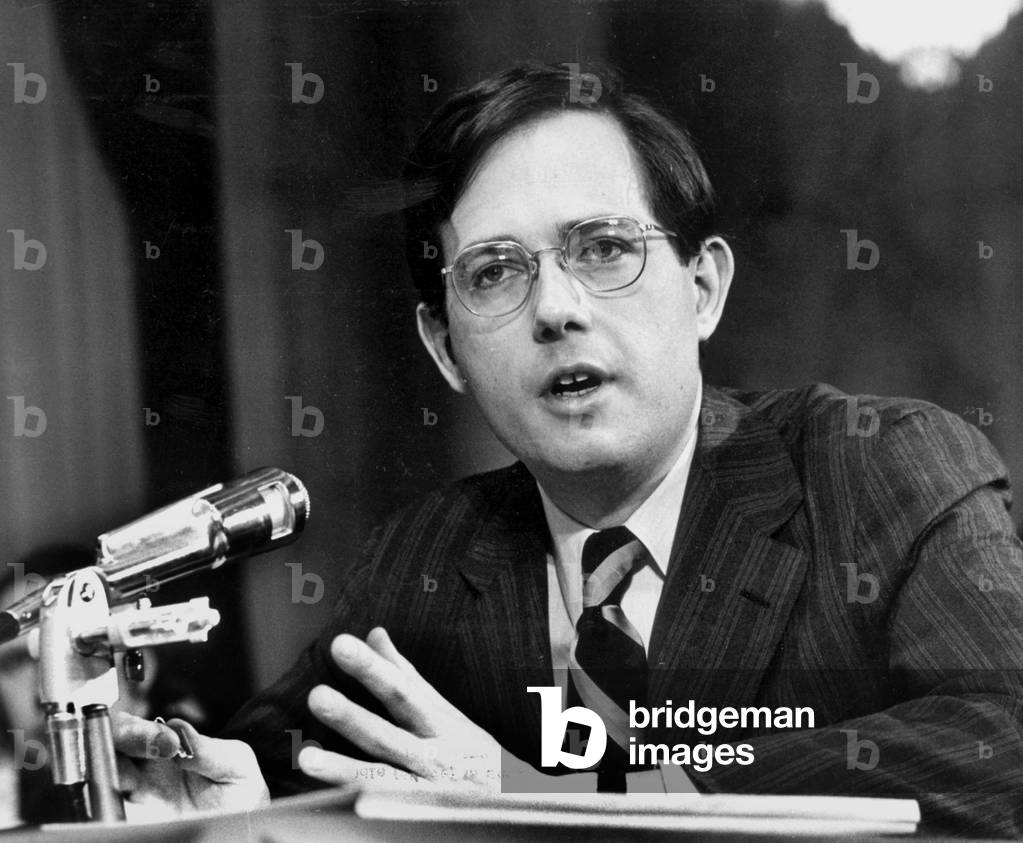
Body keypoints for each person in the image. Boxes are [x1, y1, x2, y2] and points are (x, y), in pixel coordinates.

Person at [112, 62, 1023, 836]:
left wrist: (566, 799)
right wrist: (248, 806)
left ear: (701, 288)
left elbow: (1001, 739)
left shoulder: (874, 466)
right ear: (443, 347)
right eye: (497, 272)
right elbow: (291, 755)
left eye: (601, 248)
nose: (556, 308)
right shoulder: (427, 554)